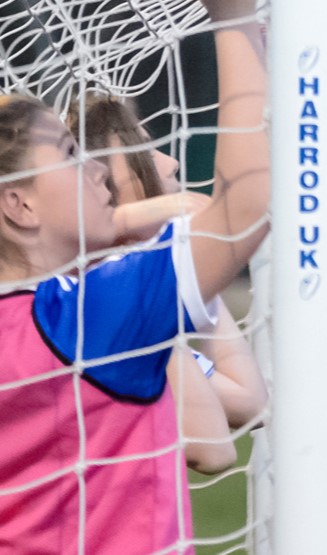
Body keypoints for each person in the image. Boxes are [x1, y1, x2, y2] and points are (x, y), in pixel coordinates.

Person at [0, 0, 269, 552]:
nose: (97, 169)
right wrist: (235, 20)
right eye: (73, 155)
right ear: (19, 205)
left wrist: (123, 222)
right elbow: (247, 209)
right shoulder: (80, 320)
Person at [68, 95, 269, 463]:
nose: (171, 162)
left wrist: (186, 270)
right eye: (143, 149)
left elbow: (250, 401)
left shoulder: (122, 286)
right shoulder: (99, 296)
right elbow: (215, 453)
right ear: (96, 178)